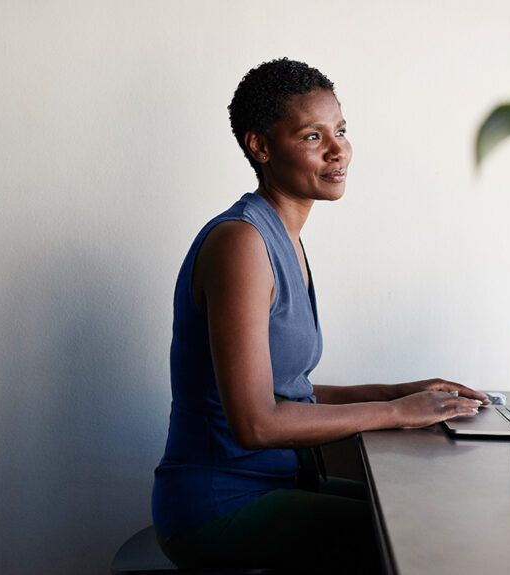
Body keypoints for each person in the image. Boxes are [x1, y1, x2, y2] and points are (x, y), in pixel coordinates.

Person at [151, 58, 487, 573]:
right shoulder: (242, 242)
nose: (338, 150)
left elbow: (290, 392)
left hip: (279, 484)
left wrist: (398, 392)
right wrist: (398, 413)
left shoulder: (284, 238)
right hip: (219, 507)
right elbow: (256, 422)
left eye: (342, 130)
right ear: (260, 146)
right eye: (313, 136)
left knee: (432, 516)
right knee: (424, 541)